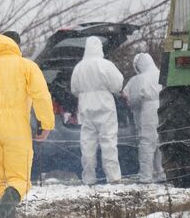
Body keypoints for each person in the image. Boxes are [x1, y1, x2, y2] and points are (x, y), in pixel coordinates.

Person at [0, 34, 55, 218]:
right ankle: (0, 213)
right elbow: (41, 96)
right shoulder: (26, 66)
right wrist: (46, 124)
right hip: (15, 128)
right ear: (16, 45)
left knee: (2, 180)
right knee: (20, 180)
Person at [70, 36, 124, 184]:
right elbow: (117, 85)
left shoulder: (79, 67)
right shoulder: (106, 65)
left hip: (86, 107)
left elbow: (74, 89)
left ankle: (89, 178)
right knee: (109, 142)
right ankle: (113, 178)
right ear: (100, 47)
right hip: (105, 106)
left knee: (87, 144)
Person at [122, 53, 166, 183]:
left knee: (147, 143)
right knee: (160, 142)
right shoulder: (162, 74)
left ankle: (146, 176)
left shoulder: (139, 79)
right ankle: (161, 172)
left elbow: (133, 100)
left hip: (148, 110)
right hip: (164, 107)